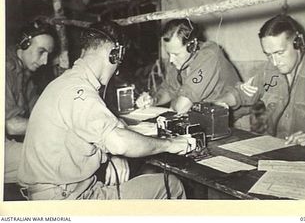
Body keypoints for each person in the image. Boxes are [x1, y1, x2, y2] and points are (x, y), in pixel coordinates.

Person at [17, 21, 195, 200]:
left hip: (60, 192)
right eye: (119, 63)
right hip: (67, 199)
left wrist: (111, 155)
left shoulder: (66, 83)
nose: (116, 72)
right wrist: (170, 144)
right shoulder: (79, 92)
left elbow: (105, 128)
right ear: (114, 55)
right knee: (171, 186)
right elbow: (119, 142)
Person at [216, 14, 305, 146]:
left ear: (298, 43)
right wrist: (219, 103)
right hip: (275, 151)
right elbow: (241, 94)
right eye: (269, 55)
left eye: (280, 53)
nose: (275, 62)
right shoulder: (269, 72)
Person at [136, 18, 240, 114]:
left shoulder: (209, 55)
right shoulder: (178, 60)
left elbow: (182, 107)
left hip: (232, 120)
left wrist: (174, 104)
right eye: (169, 54)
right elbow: (169, 89)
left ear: (192, 46)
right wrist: (153, 100)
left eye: (176, 54)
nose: (171, 60)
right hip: (203, 116)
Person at [5, 20, 55, 183]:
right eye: (41, 52)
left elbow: (39, 113)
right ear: (24, 44)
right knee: (50, 158)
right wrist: (55, 127)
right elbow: (12, 126)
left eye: (49, 54)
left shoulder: (25, 76)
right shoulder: (4, 69)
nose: (45, 61)